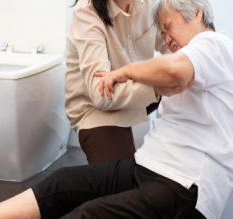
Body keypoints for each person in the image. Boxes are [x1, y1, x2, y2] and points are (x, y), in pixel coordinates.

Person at [0, 0, 233, 218]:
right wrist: (147, 82)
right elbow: (106, 93)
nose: (166, 40)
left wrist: (125, 72)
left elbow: (174, 70)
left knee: (90, 213)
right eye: (164, 31)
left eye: (169, 29)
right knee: (63, 183)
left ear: (196, 13)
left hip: (184, 182)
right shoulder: (88, 15)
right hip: (109, 120)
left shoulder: (213, 44)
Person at [65, 0, 167, 164]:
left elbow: (173, 45)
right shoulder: (87, 13)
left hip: (135, 92)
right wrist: (158, 87)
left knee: (190, 84)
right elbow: (101, 95)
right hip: (97, 110)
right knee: (119, 182)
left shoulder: (150, 4)